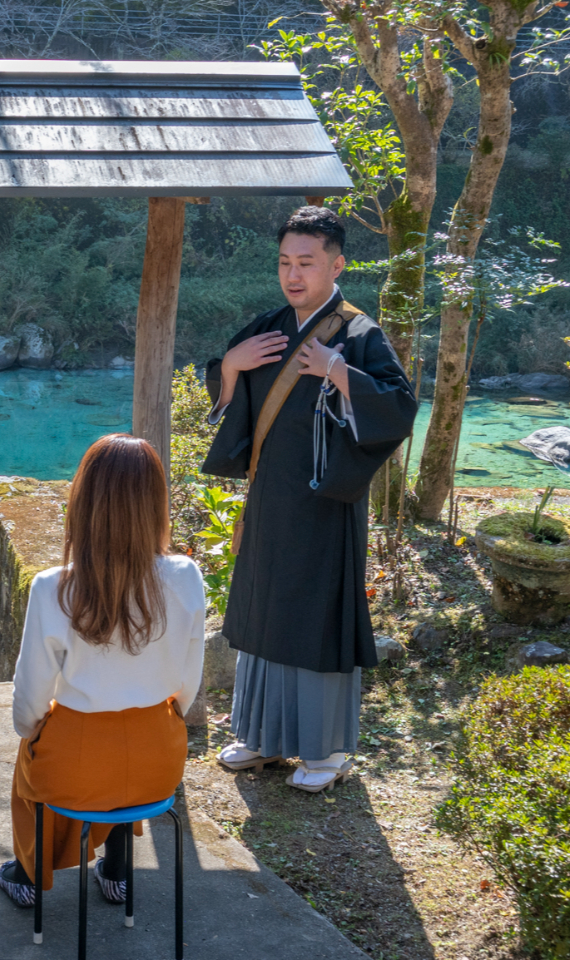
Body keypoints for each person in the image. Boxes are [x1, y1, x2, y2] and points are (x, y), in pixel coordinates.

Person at [202, 206, 417, 793]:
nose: (293, 275)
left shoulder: (358, 332)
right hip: (271, 498)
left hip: (325, 501)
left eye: (307, 262)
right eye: (285, 263)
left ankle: (325, 751)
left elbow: (399, 407)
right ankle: (262, 737)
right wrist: (230, 366)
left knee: (315, 619)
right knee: (263, 610)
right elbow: (230, 397)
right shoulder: (269, 324)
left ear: (337, 263)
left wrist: (337, 370)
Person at [0, 434, 206, 907]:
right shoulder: (185, 576)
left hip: (78, 763)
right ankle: (117, 870)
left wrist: (33, 732)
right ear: (155, 503)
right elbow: (188, 684)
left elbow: (30, 698)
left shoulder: (55, 587)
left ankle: (28, 877)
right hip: (160, 758)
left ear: (83, 503)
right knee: (122, 765)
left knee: (35, 761)